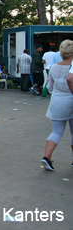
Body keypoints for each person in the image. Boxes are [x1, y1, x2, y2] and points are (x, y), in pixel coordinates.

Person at [41, 40, 73, 171]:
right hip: (71, 100)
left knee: (56, 132)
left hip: (57, 101)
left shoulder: (54, 67)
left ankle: (47, 157)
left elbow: (50, 88)